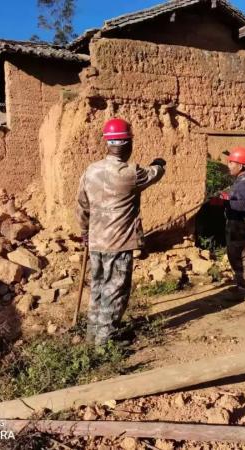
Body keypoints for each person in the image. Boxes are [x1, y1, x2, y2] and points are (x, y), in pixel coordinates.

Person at [76, 118, 166, 345]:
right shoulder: (132, 173)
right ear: (128, 145)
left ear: (107, 143)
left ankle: (92, 335)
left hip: (96, 242)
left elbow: (82, 205)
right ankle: (104, 343)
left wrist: (85, 232)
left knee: (97, 288)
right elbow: (155, 173)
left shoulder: (91, 171)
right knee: (115, 292)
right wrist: (159, 163)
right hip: (119, 244)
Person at [210, 146, 245, 298]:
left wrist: (224, 202)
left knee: (240, 257)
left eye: (231, 163)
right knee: (235, 256)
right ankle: (241, 287)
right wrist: (225, 196)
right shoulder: (241, 179)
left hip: (241, 225)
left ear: (241, 165)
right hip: (237, 223)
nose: (229, 165)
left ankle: (244, 291)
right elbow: (237, 198)